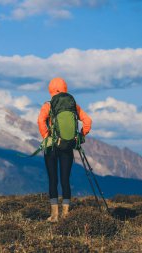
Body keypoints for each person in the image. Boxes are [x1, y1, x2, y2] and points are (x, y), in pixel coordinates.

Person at [37, 77, 92, 222]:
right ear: (65, 88)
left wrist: (46, 136)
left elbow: (40, 120)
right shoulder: (73, 105)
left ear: (51, 89)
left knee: (53, 180)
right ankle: (66, 214)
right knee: (65, 180)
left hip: (51, 147)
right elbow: (88, 121)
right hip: (67, 146)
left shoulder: (48, 105)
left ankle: (54, 215)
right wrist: (79, 136)